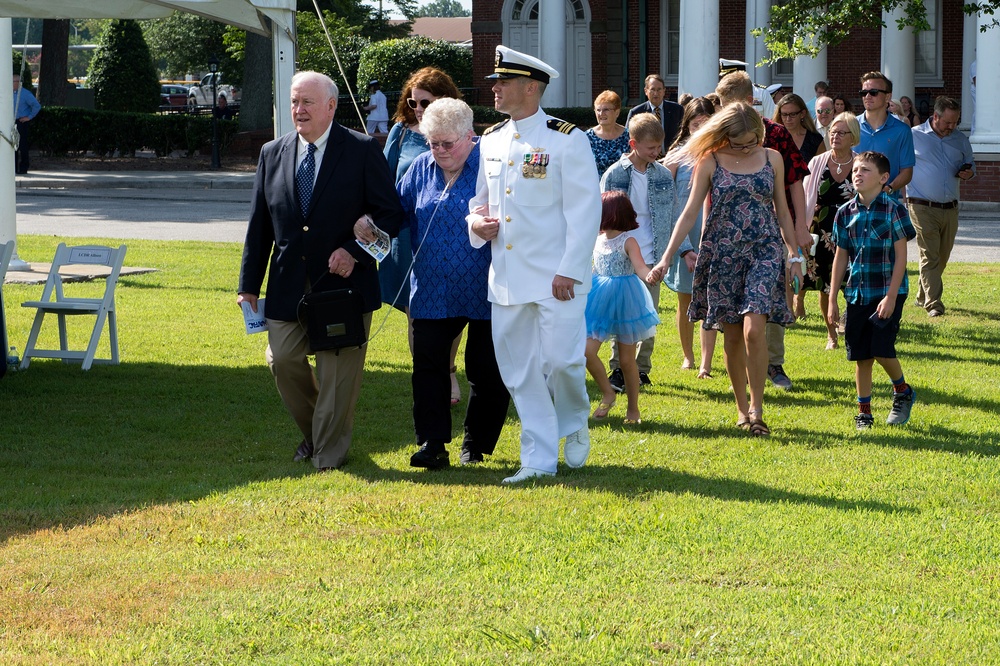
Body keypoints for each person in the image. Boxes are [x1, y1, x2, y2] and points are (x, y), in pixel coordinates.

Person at [237, 71, 404, 470]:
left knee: (336, 377)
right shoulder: (272, 152)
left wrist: (354, 251)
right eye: (295, 102)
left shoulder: (362, 149)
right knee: (282, 360)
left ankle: (327, 457)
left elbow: (390, 214)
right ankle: (317, 433)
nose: (299, 110)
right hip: (287, 285)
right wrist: (248, 286)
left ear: (331, 106)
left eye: (307, 102)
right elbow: (259, 225)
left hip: (343, 288)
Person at [467, 46, 602, 484]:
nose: (496, 89)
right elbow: (480, 203)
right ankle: (538, 459)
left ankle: (575, 418)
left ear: (531, 87)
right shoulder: (490, 140)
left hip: (556, 277)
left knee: (563, 363)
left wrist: (570, 269)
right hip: (506, 278)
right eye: (495, 83)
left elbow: (585, 211)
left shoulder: (566, 138)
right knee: (520, 372)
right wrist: (476, 224)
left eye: (503, 83)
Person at [356, 98, 510, 469]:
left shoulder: (491, 168)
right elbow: (398, 212)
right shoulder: (421, 168)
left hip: (486, 286)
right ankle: (432, 442)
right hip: (431, 289)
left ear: (470, 137)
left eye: (447, 144)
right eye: (432, 143)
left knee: (486, 368)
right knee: (428, 366)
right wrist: (370, 227)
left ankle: (476, 443)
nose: (439, 151)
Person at [647, 103, 802, 437]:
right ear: (722, 135)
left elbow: (783, 210)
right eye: (738, 142)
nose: (746, 148)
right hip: (723, 253)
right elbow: (689, 213)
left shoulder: (772, 157)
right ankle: (741, 409)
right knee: (731, 336)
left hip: (764, 249)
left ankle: (758, 409)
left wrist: (794, 253)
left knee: (754, 331)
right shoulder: (710, 159)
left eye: (751, 141)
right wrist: (665, 257)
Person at [716, 71, 812, 391]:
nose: (722, 110)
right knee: (737, 306)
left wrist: (799, 227)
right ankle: (743, 370)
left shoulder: (776, 134)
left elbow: (795, 181)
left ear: (747, 101)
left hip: (772, 231)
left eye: (727, 103)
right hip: (732, 236)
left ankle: (774, 365)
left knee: (773, 297)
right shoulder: (718, 135)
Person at [379, 67, 464, 403]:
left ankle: (449, 370)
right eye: (412, 102)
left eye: (425, 102)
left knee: (453, 310)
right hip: (407, 239)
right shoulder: (401, 133)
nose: (417, 108)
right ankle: (429, 380)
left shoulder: (462, 133)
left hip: (453, 240)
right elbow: (385, 183)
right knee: (418, 313)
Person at [828, 151, 917, 430]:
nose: (857, 174)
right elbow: (841, 257)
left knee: (881, 348)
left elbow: (901, 257)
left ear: (883, 178)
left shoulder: (894, 209)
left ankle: (902, 391)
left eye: (865, 170)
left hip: (888, 291)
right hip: (857, 293)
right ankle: (864, 412)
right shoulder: (844, 213)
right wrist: (832, 299)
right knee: (861, 355)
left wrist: (891, 296)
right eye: (855, 169)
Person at [600, 112, 684, 391]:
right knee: (622, 316)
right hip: (621, 255)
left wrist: (684, 250)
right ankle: (618, 369)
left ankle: (642, 368)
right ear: (633, 144)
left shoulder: (662, 175)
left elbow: (673, 214)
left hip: (652, 256)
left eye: (659, 147)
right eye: (651, 148)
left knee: (648, 315)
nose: (657, 153)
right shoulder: (614, 174)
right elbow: (601, 214)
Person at [585, 191, 659, 423]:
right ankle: (608, 392)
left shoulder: (628, 240)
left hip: (626, 299)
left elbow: (640, 267)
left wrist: (650, 275)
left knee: (627, 360)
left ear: (611, 214)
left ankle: (633, 409)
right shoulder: (596, 238)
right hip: (599, 299)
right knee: (586, 351)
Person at [661, 97, 719, 379]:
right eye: (696, 123)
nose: (701, 127)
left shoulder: (723, 152)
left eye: (706, 122)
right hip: (685, 238)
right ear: (688, 125)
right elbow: (667, 201)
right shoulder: (677, 155)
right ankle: (688, 356)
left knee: (712, 299)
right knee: (685, 300)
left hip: (715, 236)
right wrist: (682, 248)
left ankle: (706, 364)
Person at [907, 96, 976, 317]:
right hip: (921, 205)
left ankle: (921, 294)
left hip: (951, 207)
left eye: (955, 122)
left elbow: (971, 165)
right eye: (948, 122)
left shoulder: (960, 139)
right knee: (930, 254)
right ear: (935, 116)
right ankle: (934, 304)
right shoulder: (913, 135)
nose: (952, 127)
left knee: (942, 256)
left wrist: (968, 173)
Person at [803, 111, 860, 350]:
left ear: (853, 137)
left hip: (852, 231)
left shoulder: (860, 163)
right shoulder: (817, 162)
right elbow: (806, 197)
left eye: (841, 133)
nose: (835, 137)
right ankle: (831, 335)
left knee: (851, 281)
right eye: (832, 132)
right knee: (824, 284)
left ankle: (848, 322)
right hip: (821, 229)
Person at [854, 72, 914, 202]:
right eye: (864, 92)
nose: (868, 96)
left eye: (873, 92)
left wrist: (888, 189)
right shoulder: (850, 126)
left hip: (886, 204)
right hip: (852, 203)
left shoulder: (902, 130)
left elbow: (907, 172)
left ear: (888, 97)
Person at [626, 74, 684, 153]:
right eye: (652, 89)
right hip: (645, 159)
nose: (656, 93)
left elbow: (684, 134)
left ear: (664, 91)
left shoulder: (677, 110)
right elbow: (628, 137)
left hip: (671, 157)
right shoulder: (636, 112)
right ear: (646, 91)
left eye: (659, 89)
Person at [586, 89, 631, 175]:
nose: (601, 113)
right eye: (598, 110)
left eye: (606, 109)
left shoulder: (628, 136)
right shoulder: (587, 137)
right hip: (597, 187)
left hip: (623, 187)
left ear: (617, 112)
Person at [774, 93, 825, 162]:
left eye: (793, 114)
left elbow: (822, 168)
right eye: (784, 114)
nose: (788, 119)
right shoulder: (773, 138)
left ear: (802, 114)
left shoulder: (815, 140)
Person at [12, 73, 41, 175]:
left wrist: (29, 117)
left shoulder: (25, 94)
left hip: (21, 122)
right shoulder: (7, 93)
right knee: (12, 146)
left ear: (18, 83)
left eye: (12, 82)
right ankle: (13, 168)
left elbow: (36, 106)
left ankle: (23, 168)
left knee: (22, 146)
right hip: (10, 122)